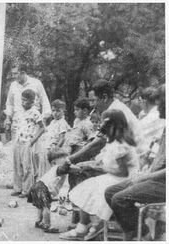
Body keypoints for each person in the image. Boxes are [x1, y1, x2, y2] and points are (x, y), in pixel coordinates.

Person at [59, 109, 140, 241]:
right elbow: (104, 162)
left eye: (105, 123)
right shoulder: (113, 141)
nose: (102, 126)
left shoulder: (122, 143)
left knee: (98, 188)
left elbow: (123, 171)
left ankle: (97, 226)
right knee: (86, 187)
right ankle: (82, 226)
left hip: (125, 179)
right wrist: (85, 164)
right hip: (114, 176)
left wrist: (94, 167)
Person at [104, 84, 166, 241]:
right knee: (111, 192)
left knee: (120, 199)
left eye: (161, 103)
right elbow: (159, 158)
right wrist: (146, 173)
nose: (157, 109)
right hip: (156, 177)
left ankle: (142, 237)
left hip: (164, 183)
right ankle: (141, 234)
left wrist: (144, 178)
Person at [4, 62, 51, 188]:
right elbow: (9, 104)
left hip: (32, 124)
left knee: (32, 156)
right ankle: (18, 184)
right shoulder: (13, 85)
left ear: (23, 72)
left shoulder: (36, 83)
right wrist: (8, 118)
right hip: (18, 124)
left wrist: (43, 119)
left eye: (16, 73)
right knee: (17, 156)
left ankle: (32, 184)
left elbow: (45, 102)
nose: (14, 76)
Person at [11, 89, 45, 198]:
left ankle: (27, 190)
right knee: (17, 165)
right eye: (22, 100)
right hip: (18, 141)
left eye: (25, 100)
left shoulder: (35, 112)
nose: (23, 102)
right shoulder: (20, 112)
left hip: (28, 143)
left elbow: (42, 128)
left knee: (27, 167)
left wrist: (32, 141)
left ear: (31, 101)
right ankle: (18, 188)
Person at [35, 100, 70, 180]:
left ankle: (48, 183)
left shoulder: (62, 123)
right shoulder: (53, 122)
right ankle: (43, 181)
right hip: (47, 147)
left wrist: (55, 150)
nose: (55, 113)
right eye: (53, 111)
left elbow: (62, 138)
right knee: (44, 167)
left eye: (58, 111)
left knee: (50, 169)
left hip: (52, 149)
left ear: (63, 111)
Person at [137, 87, 165, 169]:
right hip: (150, 156)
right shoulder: (152, 114)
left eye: (140, 101)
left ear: (144, 100)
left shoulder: (155, 115)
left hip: (149, 159)